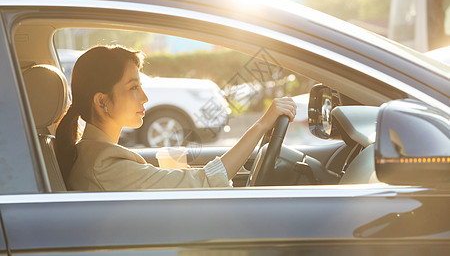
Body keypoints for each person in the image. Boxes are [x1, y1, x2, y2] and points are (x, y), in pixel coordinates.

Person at [55, 45, 297, 191]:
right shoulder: (104, 166)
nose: (145, 97)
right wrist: (262, 124)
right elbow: (205, 181)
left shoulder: (94, 156)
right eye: (133, 87)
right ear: (102, 101)